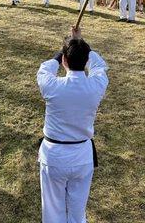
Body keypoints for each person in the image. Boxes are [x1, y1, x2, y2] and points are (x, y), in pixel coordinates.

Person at [37, 26, 109, 222]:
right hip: (81, 156)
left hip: (54, 156)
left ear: (64, 61)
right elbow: (99, 66)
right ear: (86, 61)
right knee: (78, 212)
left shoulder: (52, 86)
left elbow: (45, 68)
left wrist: (67, 47)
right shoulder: (96, 85)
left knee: (52, 211)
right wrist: (80, 42)